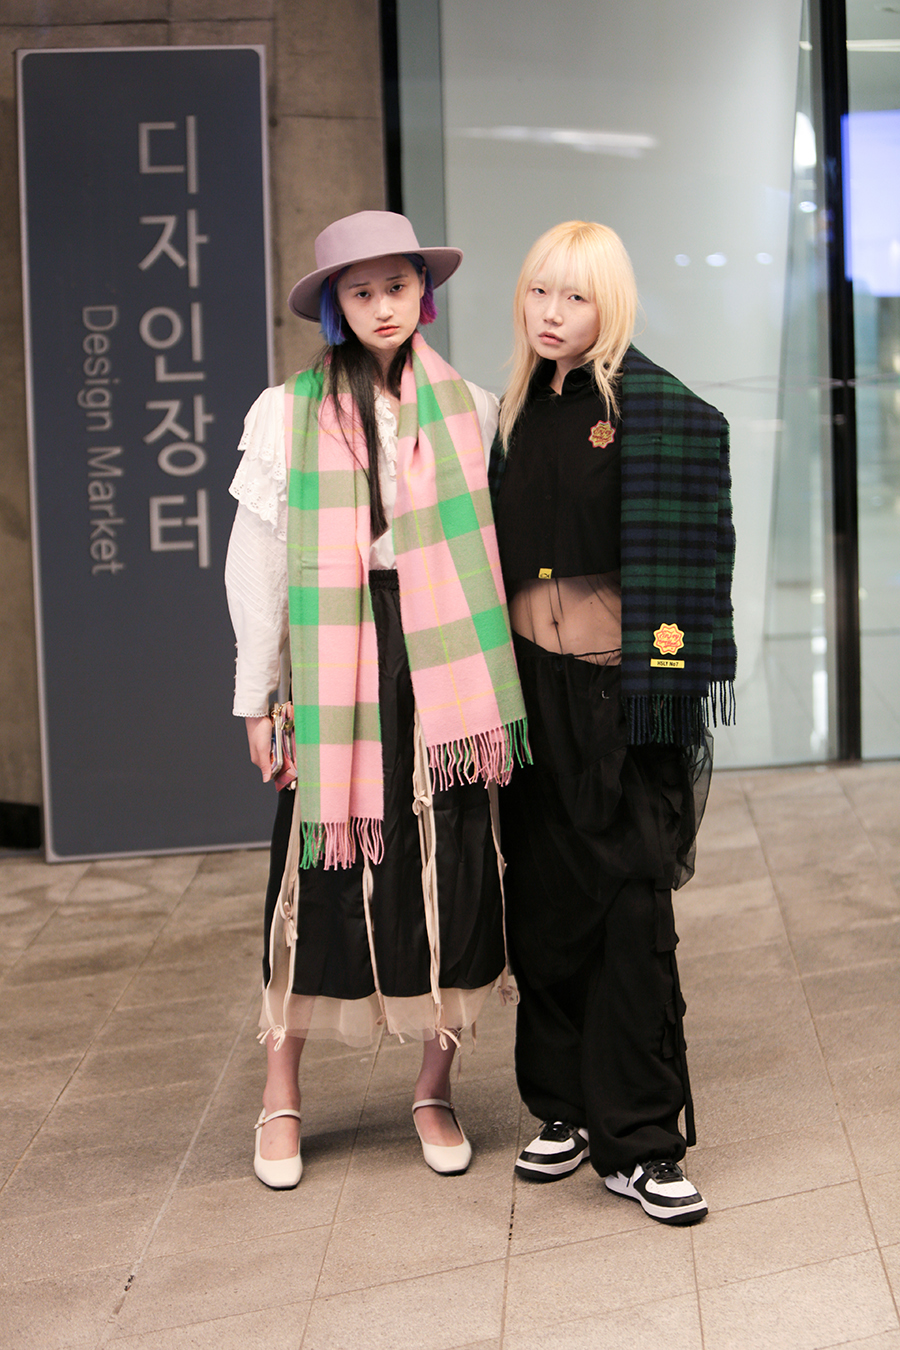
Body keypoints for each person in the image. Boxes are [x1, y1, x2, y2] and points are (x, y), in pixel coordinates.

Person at [225, 210, 527, 1189]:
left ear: (421, 292)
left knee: (453, 866)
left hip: (446, 659)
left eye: (397, 285)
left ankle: (434, 1087)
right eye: (361, 292)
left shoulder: (471, 407)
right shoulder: (287, 411)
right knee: (315, 869)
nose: (383, 305)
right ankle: (280, 1091)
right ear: (335, 307)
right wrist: (256, 696)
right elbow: (257, 563)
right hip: (337, 658)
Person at [489, 220, 736, 1225]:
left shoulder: (651, 410)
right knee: (544, 900)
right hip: (526, 693)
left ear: (611, 305)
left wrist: (655, 686)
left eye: (576, 296)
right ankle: (563, 1106)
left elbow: (688, 552)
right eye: (539, 291)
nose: (551, 313)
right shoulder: (509, 416)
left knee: (632, 910)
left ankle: (641, 1139)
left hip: (616, 691)